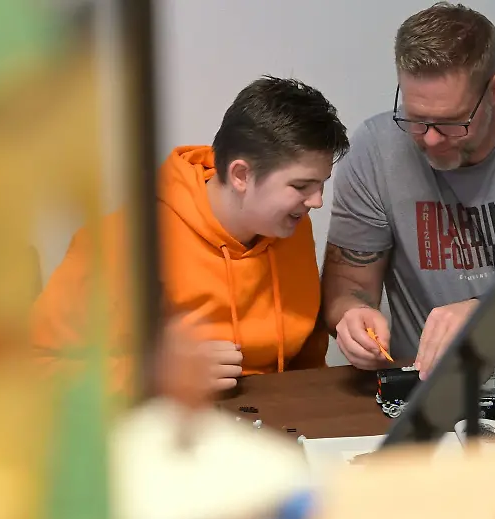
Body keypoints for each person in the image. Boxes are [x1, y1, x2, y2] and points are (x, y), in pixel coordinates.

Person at [33, 76, 350, 394]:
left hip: (278, 414)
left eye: (321, 184)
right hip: (166, 416)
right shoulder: (121, 241)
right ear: (241, 175)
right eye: (301, 186)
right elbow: (38, 366)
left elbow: (307, 362)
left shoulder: (290, 226)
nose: (317, 202)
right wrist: (154, 374)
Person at [322, 2, 495, 379]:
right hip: (430, 388)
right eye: (416, 119)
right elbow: (348, 285)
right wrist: (353, 316)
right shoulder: (375, 151)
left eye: (451, 122)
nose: (431, 139)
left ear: (494, 89)